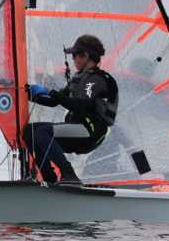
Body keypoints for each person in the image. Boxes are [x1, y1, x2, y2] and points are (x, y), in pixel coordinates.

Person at [23, 33, 119, 186]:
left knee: (42, 132)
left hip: (90, 132)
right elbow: (54, 101)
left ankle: (69, 175)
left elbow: (80, 106)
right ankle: (49, 178)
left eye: (75, 55)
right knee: (30, 131)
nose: (73, 59)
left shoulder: (97, 80)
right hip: (77, 129)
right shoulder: (79, 79)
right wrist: (28, 95)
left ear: (86, 56)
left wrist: (49, 91)